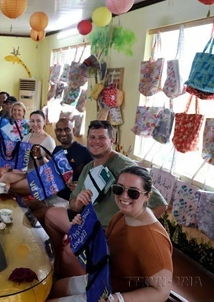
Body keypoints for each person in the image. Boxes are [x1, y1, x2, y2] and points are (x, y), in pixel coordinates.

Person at [44, 120, 168, 278]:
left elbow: (160, 205)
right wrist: (79, 202)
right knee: (49, 215)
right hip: (88, 222)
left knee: (71, 252)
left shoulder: (125, 168)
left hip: (108, 232)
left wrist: (124, 234)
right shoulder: (89, 167)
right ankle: (57, 270)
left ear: (111, 140)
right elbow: (73, 206)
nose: (96, 142)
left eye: (102, 138)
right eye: (92, 137)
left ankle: (89, 285)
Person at [49, 166, 173, 302]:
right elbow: (105, 249)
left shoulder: (152, 239)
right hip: (103, 279)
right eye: (119, 189)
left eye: (133, 193)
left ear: (147, 196)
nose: (124, 196)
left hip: (117, 294)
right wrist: (81, 230)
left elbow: (162, 292)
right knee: (53, 289)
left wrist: (117, 299)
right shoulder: (121, 216)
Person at [0, 110, 56, 194]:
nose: (35, 124)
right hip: (24, 172)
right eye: (32, 121)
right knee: (3, 179)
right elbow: (19, 158)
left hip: (39, 176)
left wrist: (40, 157)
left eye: (38, 121)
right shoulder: (27, 137)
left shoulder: (49, 141)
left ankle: (6, 201)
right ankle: (1, 204)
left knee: (10, 186)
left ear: (44, 122)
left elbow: (52, 167)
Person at [52, 118, 93, 201]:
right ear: (55, 132)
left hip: (75, 200)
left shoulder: (84, 151)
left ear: (73, 130)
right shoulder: (56, 150)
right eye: (59, 130)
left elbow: (94, 177)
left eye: (67, 129)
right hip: (56, 197)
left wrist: (81, 186)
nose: (63, 133)